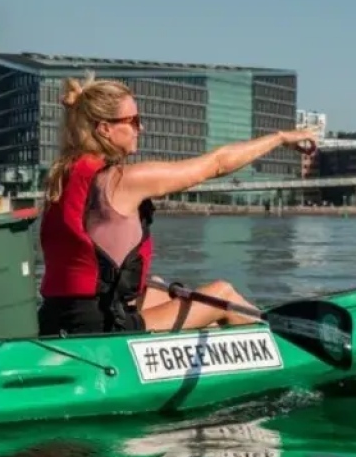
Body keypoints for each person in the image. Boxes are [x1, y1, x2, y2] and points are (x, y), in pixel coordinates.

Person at [36, 71, 319, 337]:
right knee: (221, 295)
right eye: (133, 121)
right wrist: (281, 138)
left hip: (56, 318)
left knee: (159, 290)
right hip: (100, 327)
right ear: (105, 129)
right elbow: (218, 164)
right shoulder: (124, 180)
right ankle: (289, 346)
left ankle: (230, 338)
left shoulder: (63, 175)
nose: (141, 127)